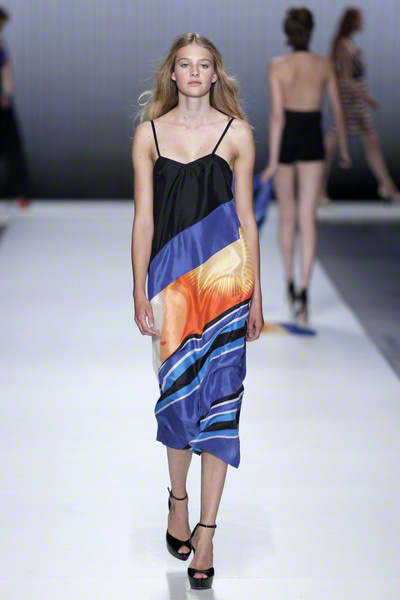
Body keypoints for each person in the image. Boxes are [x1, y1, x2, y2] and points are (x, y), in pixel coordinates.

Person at [131, 33, 263, 590]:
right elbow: (143, 217)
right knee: (178, 400)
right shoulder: (149, 135)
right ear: (172, 73)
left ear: (215, 74)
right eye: (184, 64)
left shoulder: (238, 134)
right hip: (172, 287)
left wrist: (258, 295)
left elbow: (247, 218)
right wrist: (138, 289)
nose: (193, 73)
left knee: (222, 404)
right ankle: (178, 501)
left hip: (227, 283)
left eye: (203, 65)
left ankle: (206, 534)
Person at [260, 7, 350, 324]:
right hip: (312, 137)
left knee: (287, 217)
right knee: (307, 218)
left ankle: (289, 283)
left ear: (287, 33)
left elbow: (277, 117)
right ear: (311, 31)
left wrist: (273, 162)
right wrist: (345, 148)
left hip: (287, 139)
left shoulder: (277, 66)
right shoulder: (324, 65)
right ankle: (304, 294)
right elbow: (337, 111)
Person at [322, 7, 400, 205]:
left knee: (367, 141)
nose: (362, 23)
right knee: (334, 143)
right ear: (352, 21)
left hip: (353, 100)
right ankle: (318, 190)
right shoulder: (344, 45)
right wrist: (367, 98)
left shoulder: (347, 43)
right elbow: (346, 78)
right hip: (350, 101)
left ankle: (387, 187)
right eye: (360, 19)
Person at [0, 7, 30, 206]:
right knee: (11, 147)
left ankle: (17, 192)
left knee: (13, 148)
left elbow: (6, 71)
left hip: (4, 102)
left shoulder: (2, 43)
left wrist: (6, 94)